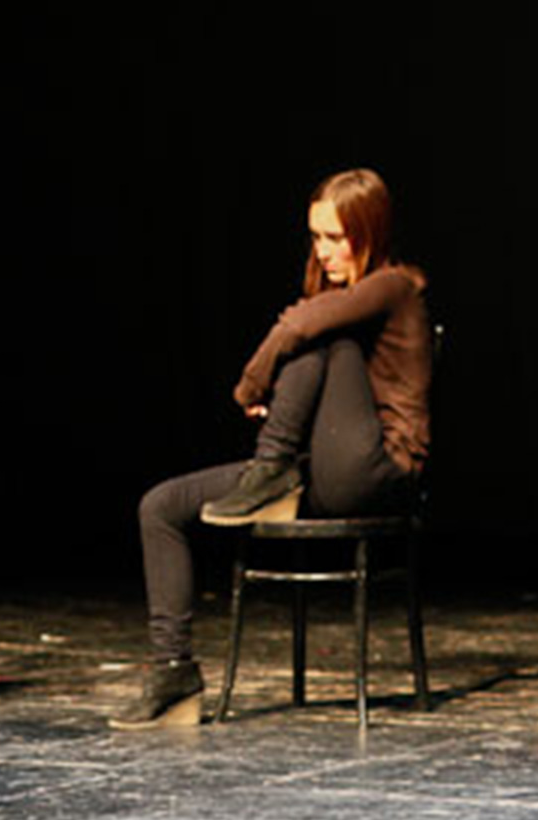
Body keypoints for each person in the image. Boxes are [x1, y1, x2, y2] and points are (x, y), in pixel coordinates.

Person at [116, 168, 430, 728]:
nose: (323, 250)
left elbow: (299, 327)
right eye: (316, 237)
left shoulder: (394, 286)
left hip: (378, 474)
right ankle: (173, 674)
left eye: (335, 237)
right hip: (314, 470)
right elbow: (302, 329)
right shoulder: (341, 298)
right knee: (159, 506)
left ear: (370, 233)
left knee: (319, 338)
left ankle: (270, 469)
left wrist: (253, 386)